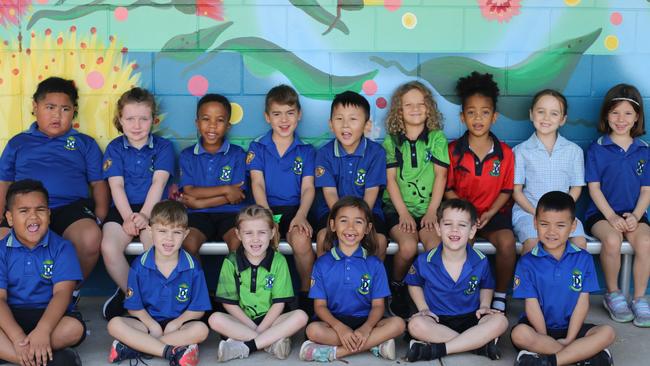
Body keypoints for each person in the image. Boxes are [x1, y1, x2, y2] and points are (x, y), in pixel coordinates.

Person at [0, 77, 109, 299]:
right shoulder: (18, 142)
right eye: (50, 107)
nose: (57, 115)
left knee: (90, 237)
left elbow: (98, 182)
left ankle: (69, 294)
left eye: (65, 109)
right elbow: (4, 182)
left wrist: (100, 217)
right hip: (26, 209)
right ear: (35, 107)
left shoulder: (84, 144)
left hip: (70, 208)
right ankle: (20, 299)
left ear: (74, 111)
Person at [511, 191, 616, 366]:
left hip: (571, 328)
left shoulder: (584, 259)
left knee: (608, 332)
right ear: (535, 223)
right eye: (544, 224)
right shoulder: (527, 262)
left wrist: (570, 338)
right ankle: (582, 355)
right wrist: (544, 336)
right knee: (519, 334)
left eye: (560, 225)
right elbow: (532, 304)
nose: (551, 232)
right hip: (539, 329)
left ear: (573, 226)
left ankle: (549, 361)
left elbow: (582, 303)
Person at [300, 196, 405, 362]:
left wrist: (366, 329)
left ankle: (334, 353)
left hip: (366, 320)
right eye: (344, 221)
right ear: (333, 225)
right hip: (334, 322)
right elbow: (319, 306)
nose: (351, 228)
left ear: (368, 228)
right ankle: (374, 344)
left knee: (399, 324)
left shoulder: (374, 264)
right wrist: (340, 328)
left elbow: (378, 306)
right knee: (313, 330)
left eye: (358, 222)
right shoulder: (322, 264)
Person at [106, 200, 211, 366]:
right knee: (114, 324)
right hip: (147, 323)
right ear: (149, 231)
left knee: (202, 330)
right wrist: (151, 325)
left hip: (179, 325)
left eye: (176, 232)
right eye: (162, 231)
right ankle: (172, 351)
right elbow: (134, 307)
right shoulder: (139, 266)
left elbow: (197, 309)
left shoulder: (192, 268)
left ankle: (136, 346)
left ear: (185, 234)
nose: (169, 239)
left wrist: (176, 323)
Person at [101, 87, 175, 320]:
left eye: (143, 119)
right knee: (109, 247)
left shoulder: (163, 147)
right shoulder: (115, 147)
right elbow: (116, 187)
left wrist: (143, 216)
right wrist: (128, 218)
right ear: (120, 120)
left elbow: (158, 183)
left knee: (154, 246)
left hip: (154, 210)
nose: (137, 125)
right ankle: (131, 295)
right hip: (122, 210)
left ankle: (156, 297)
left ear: (153, 120)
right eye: (130, 119)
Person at [445, 71, 516, 312]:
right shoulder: (453, 150)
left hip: (493, 214)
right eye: (471, 112)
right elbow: (448, 189)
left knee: (507, 244)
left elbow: (507, 190)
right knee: (460, 245)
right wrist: (468, 216)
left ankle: (499, 295)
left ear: (494, 117)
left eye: (485, 112)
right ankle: (462, 295)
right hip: (463, 216)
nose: (478, 118)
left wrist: (489, 212)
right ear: (462, 117)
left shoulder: (505, 153)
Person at [404, 199, 507, 362]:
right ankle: (477, 344)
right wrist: (423, 308)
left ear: (472, 230)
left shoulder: (480, 260)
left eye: (462, 225)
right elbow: (413, 283)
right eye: (448, 224)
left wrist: (485, 306)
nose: (454, 230)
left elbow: (486, 285)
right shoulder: (426, 260)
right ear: (438, 228)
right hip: (436, 319)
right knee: (415, 325)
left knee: (500, 321)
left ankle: (440, 349)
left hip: (471, 317)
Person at [0, 179, 86, 365]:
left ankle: (13, 355)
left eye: (40, 210)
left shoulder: (62, 248)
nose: (33, 217)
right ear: (10, 218)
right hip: (11, 315)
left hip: (49, 314)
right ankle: (34, 358)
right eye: (24, 211)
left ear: (48, 214)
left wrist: (43, 330)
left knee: (74, 328)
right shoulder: (1, 250)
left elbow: (63, 293)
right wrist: (16, 337)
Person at [247, 85, 316, 312]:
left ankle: (306, 296)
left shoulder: (306, 150)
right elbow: (257, 184)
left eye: (290, 113)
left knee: (302, 239)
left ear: (299, 115)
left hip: (297, 209)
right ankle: (269, 300)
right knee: (263, 241)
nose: (284, 120)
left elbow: (308, 188)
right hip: (266, 208)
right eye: (277, 114)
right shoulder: (258, 147)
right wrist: (268, 219)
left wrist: (301, 216)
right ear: (267, 117)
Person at [382, 81, 449, 318]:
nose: (415, 109)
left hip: (429, 208)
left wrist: (432, 212)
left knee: (434, 247)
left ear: (429, 108)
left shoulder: (437, 139)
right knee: (408, 246)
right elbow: (390, 181)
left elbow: (441, 176)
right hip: (399, 208)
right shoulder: (392, 141)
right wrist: (403, 213)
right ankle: (397, 287)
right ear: (399, 111)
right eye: (408, 105)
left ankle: (430, 295)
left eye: (421, 104)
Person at [585, 84, 650, 327]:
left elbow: (646, 191)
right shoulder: (597, 148)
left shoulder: (644, 151)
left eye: (628, 113)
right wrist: (611, 217)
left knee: (645, 241)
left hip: (635, 214)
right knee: (612, 240)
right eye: (615, 113)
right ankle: (613, 294)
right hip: (601, 215)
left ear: (637, 117)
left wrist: (635, 215)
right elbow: (594, 188)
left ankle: (639, 298)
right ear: (606, 115)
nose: (621, 119)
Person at [209, 205, 308, 361]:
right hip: (242, 320)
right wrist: (255, 328)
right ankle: (271, 343)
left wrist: (262, 328)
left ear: (272, 233)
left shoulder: (278, 261)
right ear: (238, 234)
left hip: (273, 319)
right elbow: (230, 304)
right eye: (248, 233)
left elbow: (279, 304)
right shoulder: (231, 261)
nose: (255, 239)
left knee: (301, 316)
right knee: (214, 319)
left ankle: (245, 346)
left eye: (262, 232)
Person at [314, 91, 388, 260]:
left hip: (368, 212)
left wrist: (357, 222)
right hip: (332, 212)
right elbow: (330, 193)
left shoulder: (376, 153)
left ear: (366, 125)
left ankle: (371, 283)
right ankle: (326, 283)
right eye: (339, 119)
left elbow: (371, 192)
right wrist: (343, 221)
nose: (345, 125)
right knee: (323, 239)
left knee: (380, 241)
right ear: (331, 124)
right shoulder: (324, 154)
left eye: (353, 119)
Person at [512, 89, 587, 254]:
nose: (546, 118)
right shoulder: (520, 151)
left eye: (554, 113)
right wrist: (538, 214)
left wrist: (561, 213)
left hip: (562, 214)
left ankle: (566, 280)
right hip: (528, 213)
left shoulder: (573, 151)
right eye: (541, 112)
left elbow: (576, 188)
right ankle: (531, 280)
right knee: (533, 244)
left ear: (562, 119)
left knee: (579, 243)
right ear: (531, 114)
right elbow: (516, 192)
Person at [179, 93, 247, 256]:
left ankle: (235, 282)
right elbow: (189, 191)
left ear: (228, 126)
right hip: (197, 216)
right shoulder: (187, 155)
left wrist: (199, 202)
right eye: (206, 119)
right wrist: (226, 189)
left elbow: (237, 195)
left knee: (239, 243)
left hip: (230, 214)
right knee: (188, 244)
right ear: (197, 123)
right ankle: (197, 282)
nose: (212, 126)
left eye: (220, 120)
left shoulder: (237, 154)